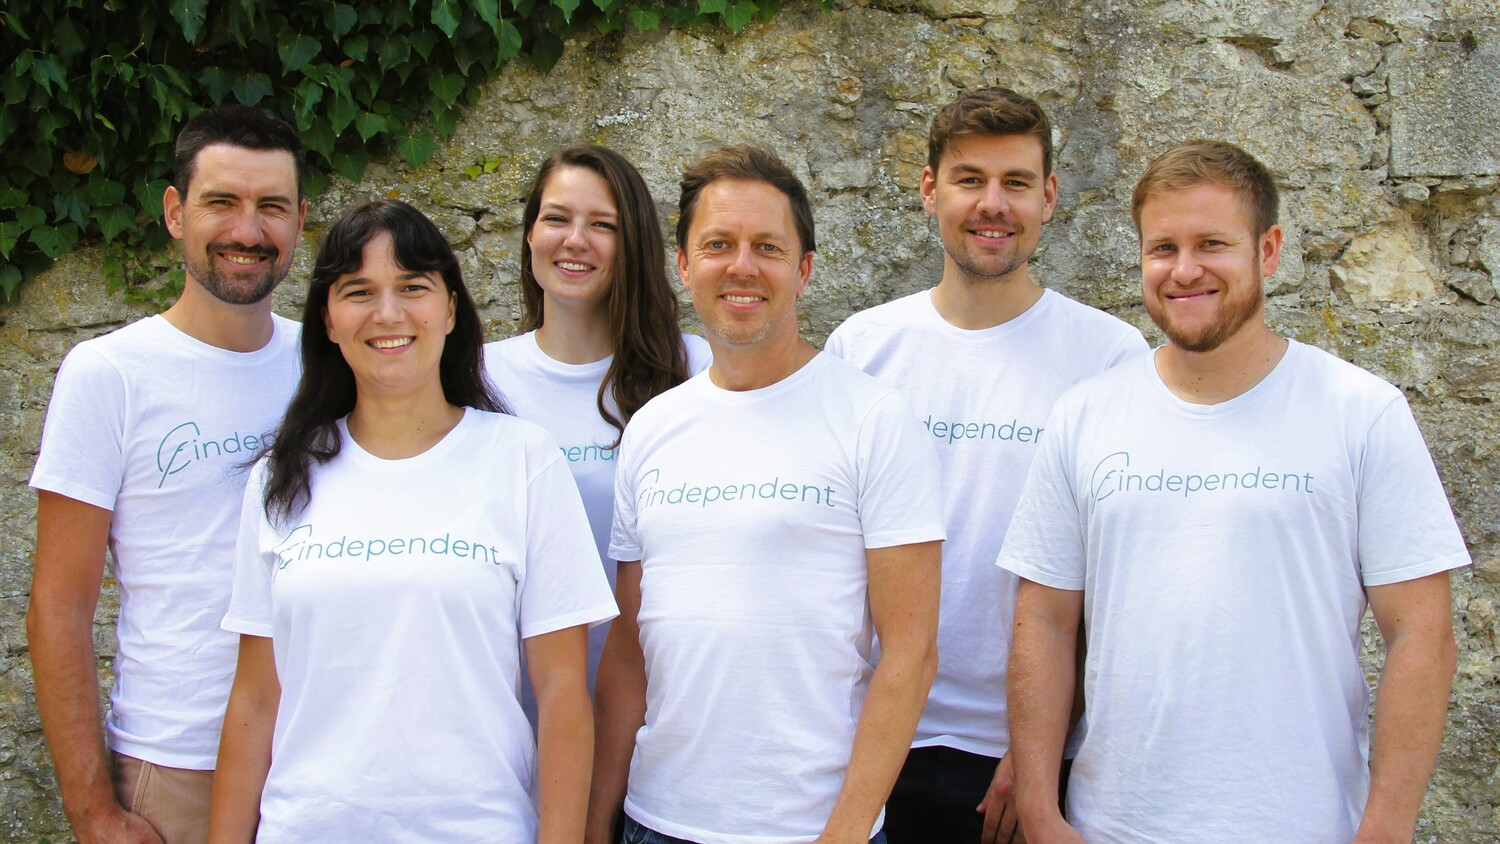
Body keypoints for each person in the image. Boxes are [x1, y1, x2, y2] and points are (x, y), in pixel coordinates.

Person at [1000, 140, 1468, 843]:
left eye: (1212, 244)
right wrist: (1040, 808)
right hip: (1114, 826)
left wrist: (1388, 828)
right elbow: (1044, 621)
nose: (1184, 270)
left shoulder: (1360, 412)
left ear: (1268, 251)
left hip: (1304, 825)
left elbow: (1422, 634)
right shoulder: (1085, 415)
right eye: (1162, 248)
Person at [208, 200, 616, 842]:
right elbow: (256, 698)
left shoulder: (520, 459)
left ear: (450, 309)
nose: (388, 313)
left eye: (412, 287)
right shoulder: (280, 477)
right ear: (328, 321)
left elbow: (563, 690)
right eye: (359, 292)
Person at [586, 146, 945, 844]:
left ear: (804, 270)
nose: (742, 266)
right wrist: (597, 822)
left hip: (809, 828)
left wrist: (845, 833)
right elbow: (627, 651)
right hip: (656, 820)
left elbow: (911, 653)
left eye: (768, 247)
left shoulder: (872, 419)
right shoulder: (653, 428)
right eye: (718, 244)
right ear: (683, 265)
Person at [825, 87, 1147, 843]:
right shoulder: (861, 349)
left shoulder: (1110, 358)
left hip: (1021, 760)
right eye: (969, 179)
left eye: (1016, 182)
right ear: (929, 189)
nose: (992, 204)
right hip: (873, 738)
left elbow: (1117, 579)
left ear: (1050, 196)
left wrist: (1036, 754)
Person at [27, 105, 307, 844]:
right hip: (179, 764)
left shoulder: (331, 363)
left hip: (318, 757)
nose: (248, 230)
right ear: (176, 213)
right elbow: (58, 605)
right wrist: (93, 813)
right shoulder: (109, 374)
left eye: (271, 206)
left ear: (300, 221)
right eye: (222, 202)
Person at [485, 144, 710, 711]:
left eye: (602, 225)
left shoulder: (694, 370)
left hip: (656, 711)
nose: (575, 240)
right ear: (530, 235)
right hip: (513, 712)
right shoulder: (475, 379)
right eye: (556, 218)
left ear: (633, 243)